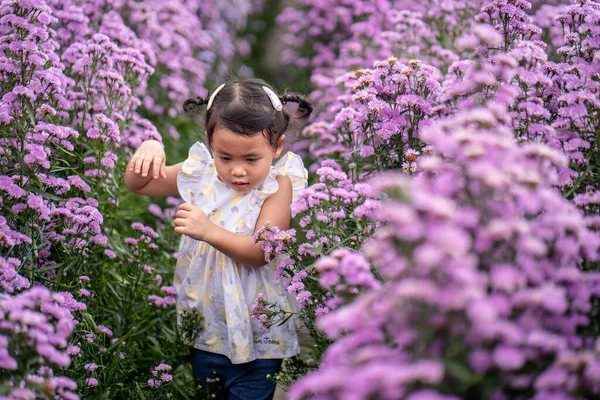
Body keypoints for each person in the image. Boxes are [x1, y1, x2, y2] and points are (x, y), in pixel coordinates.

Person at [123, 78, 313, 400]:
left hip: (260, 334)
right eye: (225, 158)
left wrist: (209, 231)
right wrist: (149, 149)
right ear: (211, 143)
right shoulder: (203, 174)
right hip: (208, 327)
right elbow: (139, 185)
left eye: (251, 159)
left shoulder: (278, 186)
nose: (238, 171)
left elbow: (262, 251)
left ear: (277, 147)